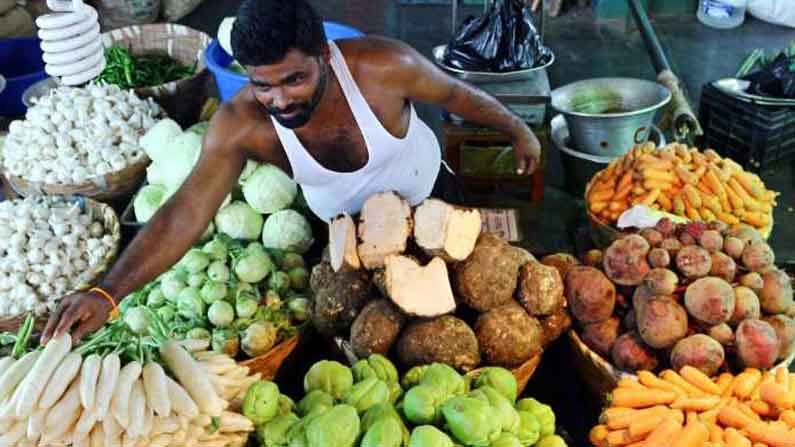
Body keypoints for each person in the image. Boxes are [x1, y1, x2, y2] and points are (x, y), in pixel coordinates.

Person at [43, 0, 541, 342]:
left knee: (464, 310)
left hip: (432, 202)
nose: (279, 100)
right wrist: (109, 291)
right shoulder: (242, 124)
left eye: (295, 79)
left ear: (324, 54)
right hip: (348, 238)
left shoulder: (384, 66)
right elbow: (186, 212)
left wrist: (517, 127)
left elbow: (456, 95)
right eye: (264, 85)